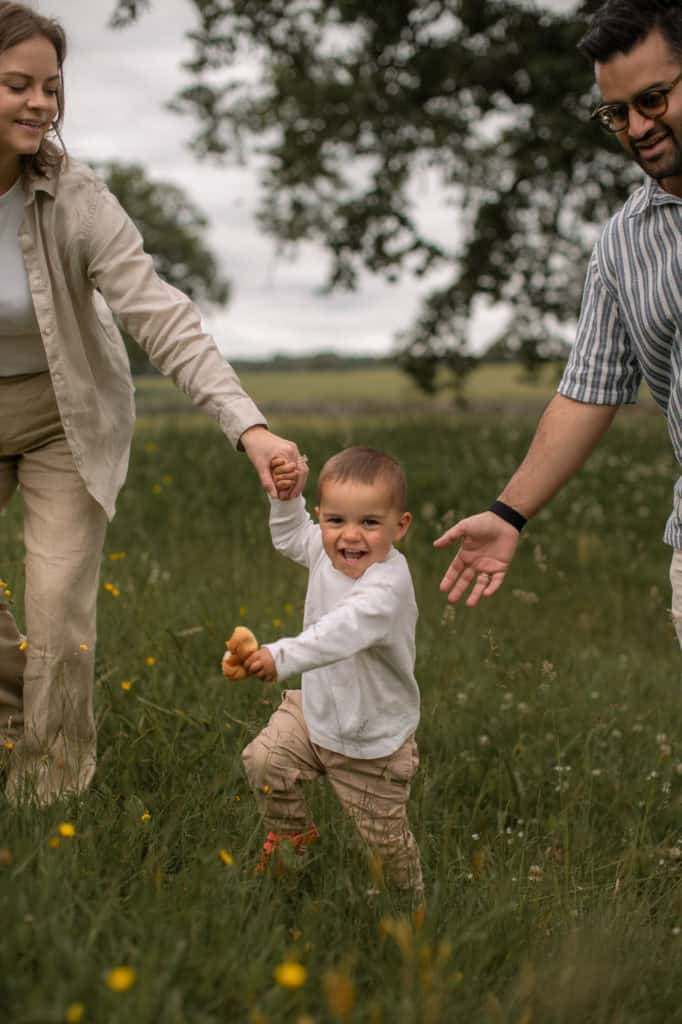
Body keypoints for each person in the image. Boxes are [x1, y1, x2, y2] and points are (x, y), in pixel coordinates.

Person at [0, 1, 305, 806]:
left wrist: (250, 427)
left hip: (64, 416)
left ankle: (47, 796)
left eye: (51, 88)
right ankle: (11, 717)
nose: (39, 104)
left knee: (59, 612)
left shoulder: (75, 198)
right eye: (16, 85)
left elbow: (160, 315)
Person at [435, 0, 682, 644]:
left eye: (653, 99)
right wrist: (509, 514)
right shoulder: (624, 243)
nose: (637, 127)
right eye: (617, 113)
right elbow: (588, 392)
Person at [236, 447, 424, 900]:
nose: (350, 536)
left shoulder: (386, 587)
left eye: (370, 523)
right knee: (265, 760)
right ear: (321, 519)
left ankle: (410, 908)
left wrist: (279, 657)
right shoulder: (326, 552)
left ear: (400, 526)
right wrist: (286, 500)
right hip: (315, 710)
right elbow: (288, 538)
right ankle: (291, 839)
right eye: (335, 520)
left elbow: (338, 632)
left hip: (370, 739)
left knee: (386, 849)